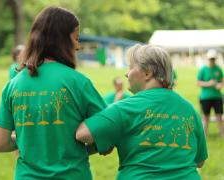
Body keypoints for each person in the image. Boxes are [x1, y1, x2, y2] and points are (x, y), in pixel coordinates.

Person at [0, 7, 106, 180]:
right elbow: (107, 133)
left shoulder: (13, 85)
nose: (78, 46)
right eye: (76, 38)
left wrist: (27, 140)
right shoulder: (79, 82)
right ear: (62, 40)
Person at [76, 44, 208, 180]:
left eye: (131, 67)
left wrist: (101, 143)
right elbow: (199, 161)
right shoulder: (190, 109)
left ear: (147, 73)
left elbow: (82, 134)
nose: (127, 74)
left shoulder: (125, 108)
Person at [197, 49, 224, 137]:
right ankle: (204, 135)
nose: (212, 61)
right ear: (208, 59)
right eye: (210, 59)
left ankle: (222, 134)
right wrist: (208, 83)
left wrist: (220, 85)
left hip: (217, 97)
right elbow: (198, 82)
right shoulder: (203, 69)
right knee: (206, 117)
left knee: (219, 116)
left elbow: (222, 81)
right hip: (206, 97)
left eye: (213, 59)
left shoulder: (218, 69)